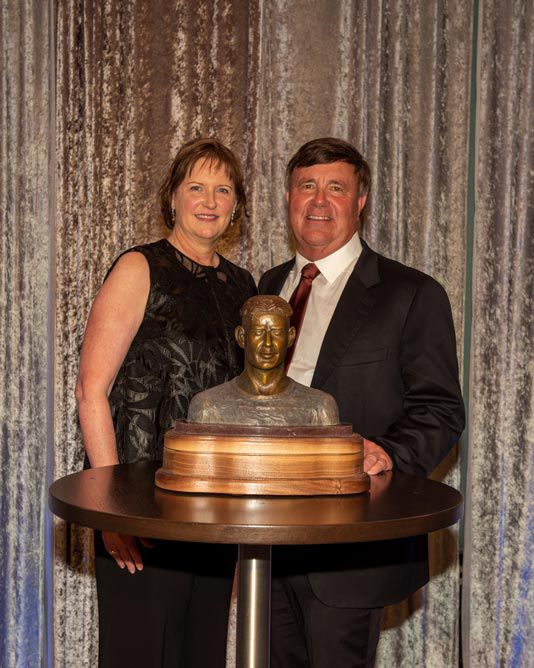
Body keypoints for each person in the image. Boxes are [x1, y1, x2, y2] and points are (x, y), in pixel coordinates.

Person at [259, 137, 465, 667]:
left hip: (349, 546)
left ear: (360, 201)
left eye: (336, 188)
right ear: (288, 197)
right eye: (307, 186)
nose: (319, 201)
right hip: (263, 539)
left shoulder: (410, 293)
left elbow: (439, 409)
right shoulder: (265, 290)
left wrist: (388, 453)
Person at [75, 138, 256, 667]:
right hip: (139, 509)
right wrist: (111, 512)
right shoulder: (139, 267)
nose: (209, 199)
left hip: (211, 508)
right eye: (196, 186)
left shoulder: (242, 285)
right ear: (172, 198)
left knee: (200, 654)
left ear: (236, 206)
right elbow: (91, 391)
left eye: (223, 189)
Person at [188, 294, 339, 426]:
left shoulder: (319, 408)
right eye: (258, 332)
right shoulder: (208, 407)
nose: (268, 343)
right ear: (241, 337)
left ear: (290, 337)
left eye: (277, 332)